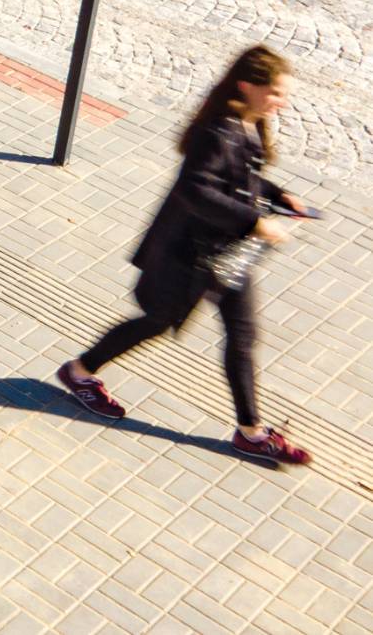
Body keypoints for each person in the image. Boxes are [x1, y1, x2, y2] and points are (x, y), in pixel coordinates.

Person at [56, 45, 314, 466]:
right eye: (276, 93)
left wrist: (278, 195)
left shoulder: (248, 124)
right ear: (248, 86)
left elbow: (241, 180)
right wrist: (256, 222)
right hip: (188, 255)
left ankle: (251, 432)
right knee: (156, 322)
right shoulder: (218, 131)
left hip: (225, 253)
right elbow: (198, 189)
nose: (282, 102)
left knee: (243, 335)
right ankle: (80, 372)